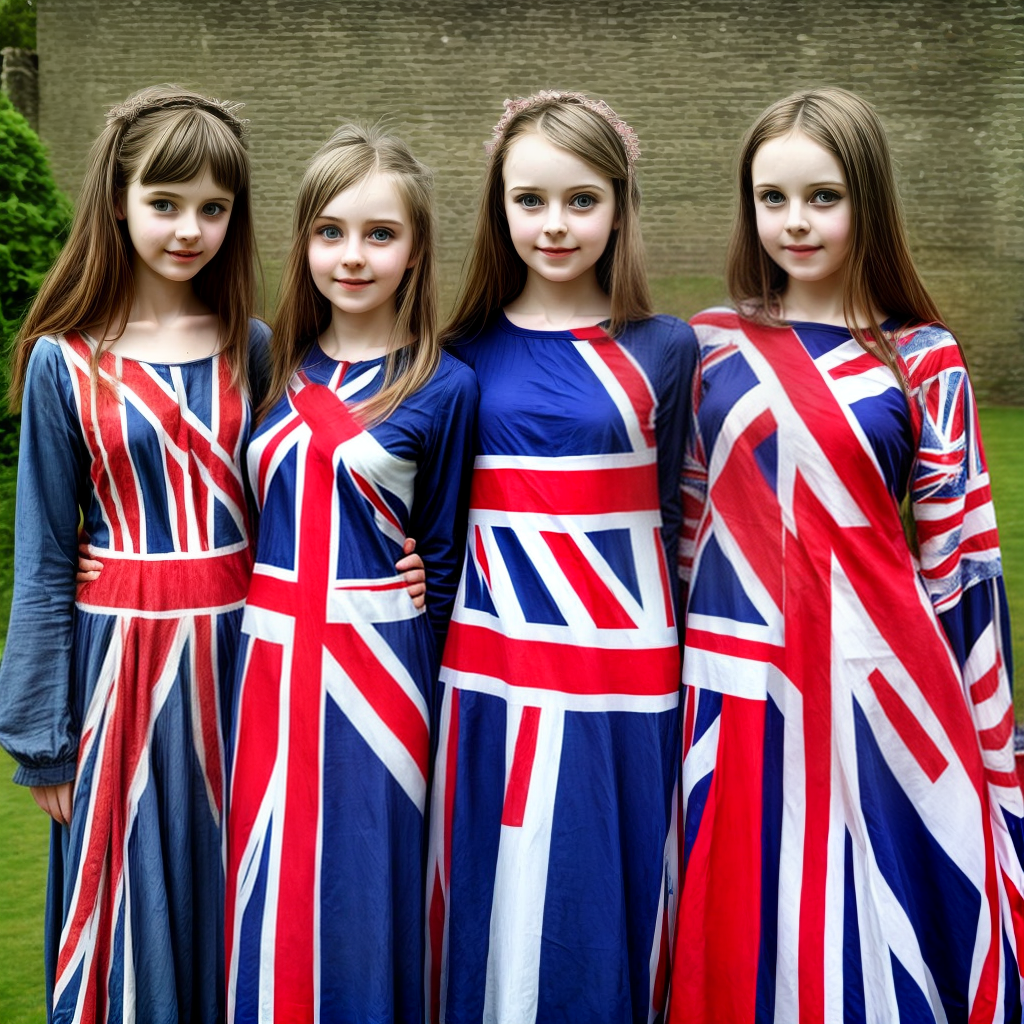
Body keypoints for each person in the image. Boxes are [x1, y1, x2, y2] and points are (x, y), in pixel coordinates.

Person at [669, 87, 1024, 1023]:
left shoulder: (925, 357)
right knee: (746, 915)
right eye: (772, 197)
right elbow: (676, 526)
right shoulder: (707, 345)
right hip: (733, 677)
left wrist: (992, 746)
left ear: (867, 199)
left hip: (886, 683)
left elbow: (962, 558)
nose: (795, 221)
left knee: (887, 924)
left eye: (823, 196)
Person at [426, 91, 698, 1024]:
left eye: (582, 200)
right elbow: (440, 526)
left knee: (603, 898)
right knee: (486, 899)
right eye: (529, 199)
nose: (554, 224)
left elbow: (669, 514)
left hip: (622, 675)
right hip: (490, 664)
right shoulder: (457, 351)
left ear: (621, 206)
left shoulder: (667, 349)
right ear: (498, 206)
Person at [0, 86, 265, 1024]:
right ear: (118, 199)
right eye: (164, 202)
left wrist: (390, 560)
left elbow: (301, 501)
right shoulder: (63, 361)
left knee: (249, 896)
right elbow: (39, 557)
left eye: (213, 208)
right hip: (119, 669)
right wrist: (41, 739)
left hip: (246, 663)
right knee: (125, 908)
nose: (189, 228)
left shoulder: (255, 347)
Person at [224, 123, 477, 1024]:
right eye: (330, 231)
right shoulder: (266, 365)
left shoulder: (445, 386)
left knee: (371, 890)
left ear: (415, 251)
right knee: (270, 885)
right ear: (304, 243)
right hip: (268, 667)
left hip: (382, 672)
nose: (353, 255)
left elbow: (443, 554)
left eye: (380, 234)